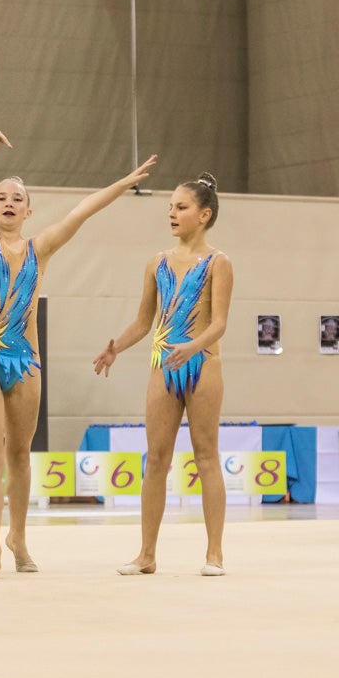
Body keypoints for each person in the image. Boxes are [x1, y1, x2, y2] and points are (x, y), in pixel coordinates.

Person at [0, 130, 156, 579]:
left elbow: (82, 211)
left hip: (25, 360)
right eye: (1, 198)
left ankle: (19, 538)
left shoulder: (40, 248)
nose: (9, 203)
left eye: (18, 199)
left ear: (29, 211)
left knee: (20, 455)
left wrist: (125, 183)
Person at [93, 173, 234, 577]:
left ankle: (214, 553)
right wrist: (116, 346)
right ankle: (146, 554)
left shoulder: (218, 263)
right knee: (155, 459)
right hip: (164, 365)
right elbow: (144, 321)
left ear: (204, 215)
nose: (172, 213)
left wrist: (192, 346)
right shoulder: (156, 263)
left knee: (206, 455)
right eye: (170, 207)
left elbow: (220, 322)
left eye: (181, 207)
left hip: (202, 362)